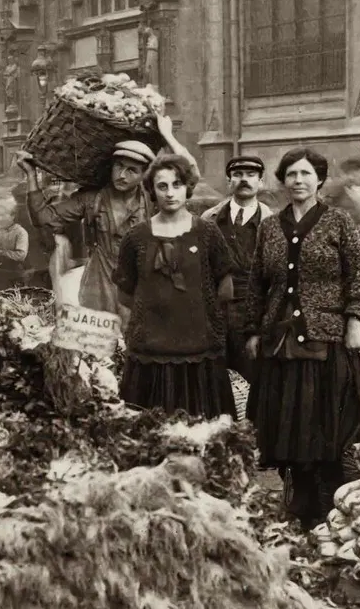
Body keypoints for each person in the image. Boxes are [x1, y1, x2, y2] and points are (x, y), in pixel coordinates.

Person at [244, 148, 360, 530]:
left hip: (327, 339)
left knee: (324, 424)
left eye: (305, 174)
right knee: (287, 422)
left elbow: (359, 276)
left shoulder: (338, 221)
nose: (298, 181)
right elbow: (257, 283)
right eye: (291, 175)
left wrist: (354, 322)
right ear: (282, 181)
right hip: (280, 340)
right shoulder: (270, 227)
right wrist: (254, 331)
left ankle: (330, 506)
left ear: (319, 179)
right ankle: (298, 503)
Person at [19, 114, 198, 325]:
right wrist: (32, 177)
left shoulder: (152, 200)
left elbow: (191, 176)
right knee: (97, 350)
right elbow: (45, 219)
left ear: (144, 175)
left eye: (132, 170)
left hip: (141, 284)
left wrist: (168, 135)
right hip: (98, 286)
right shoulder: (92, 198)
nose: (122, 175)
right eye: (118, 166)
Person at [112, 154, 237, 419]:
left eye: (177, 184)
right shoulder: (136, 238)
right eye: (162, 186)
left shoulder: (207, 233)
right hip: (151, 352)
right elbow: (124, 295)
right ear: (152, 191)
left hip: (199, 351)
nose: (170, 193)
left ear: (188, 187)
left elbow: (226, 288)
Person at [200, 156, 274, 385]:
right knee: (215, 377)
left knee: (254, 376)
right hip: (216, 310)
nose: (244, 180)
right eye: (238, 175)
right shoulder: (209, 219)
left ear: (261, 182)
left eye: (251, 175)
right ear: (228, 181)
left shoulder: (273, 223)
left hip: (253, 313)